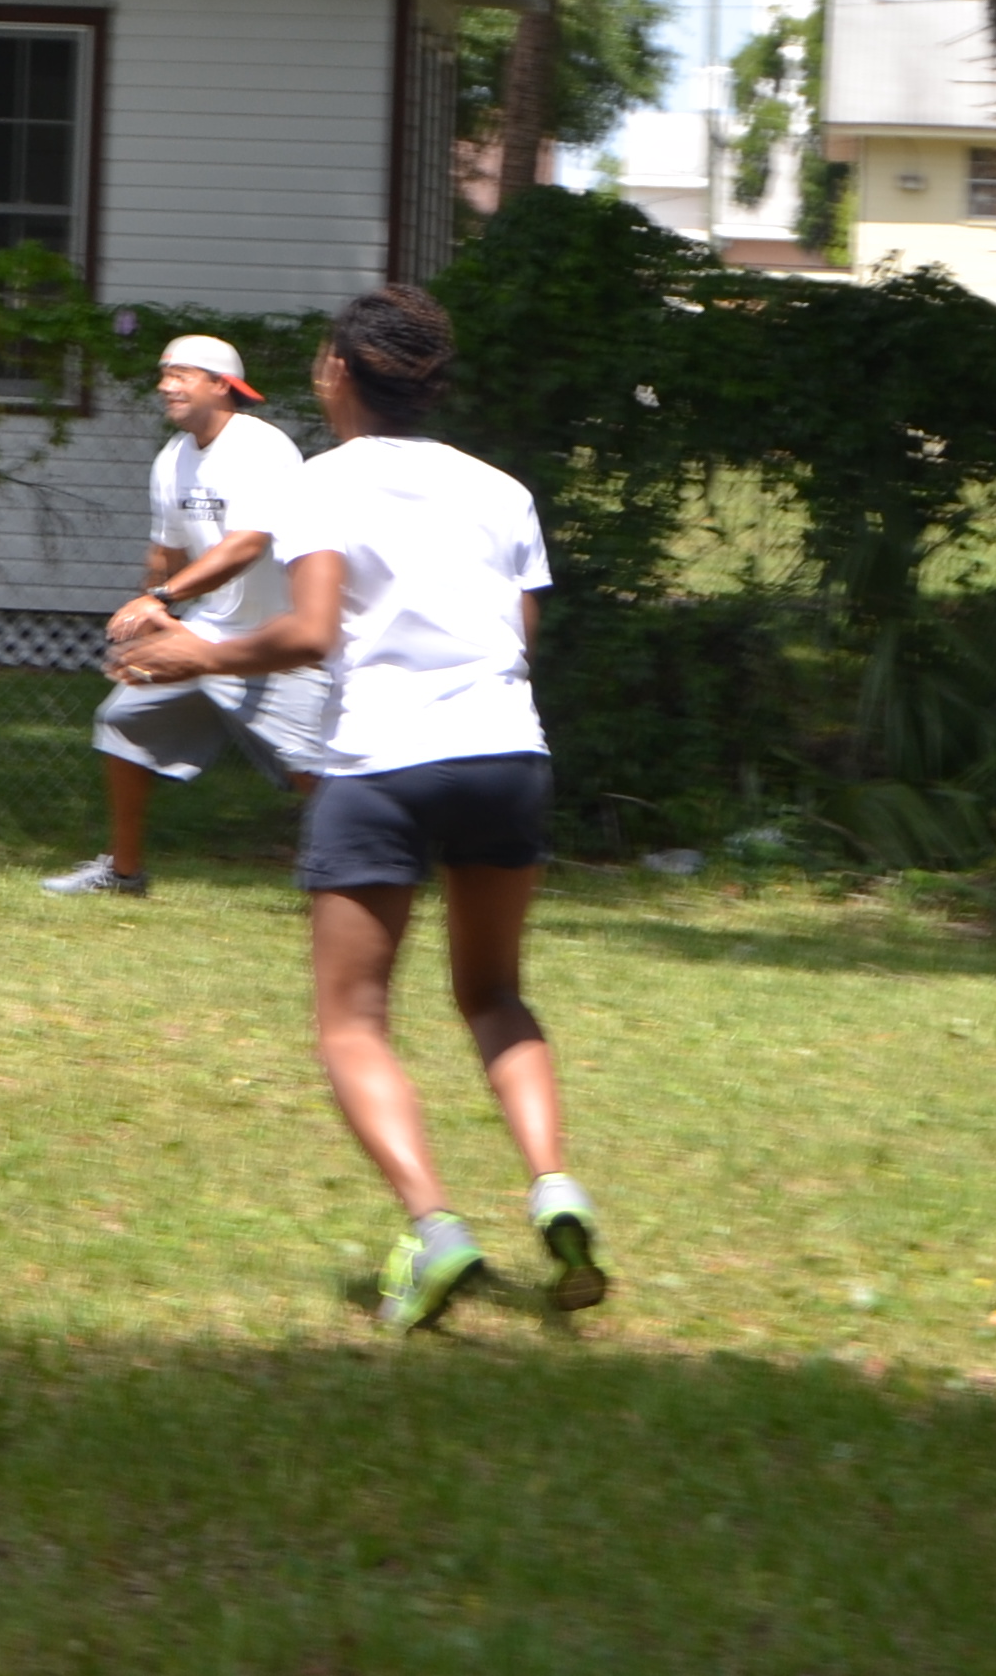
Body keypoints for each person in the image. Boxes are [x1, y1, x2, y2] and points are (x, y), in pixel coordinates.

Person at [111, 282, 608, 1330]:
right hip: (506, 753)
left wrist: (198, 652)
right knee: (495, 996)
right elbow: (519, 641)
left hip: (383, 760)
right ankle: (555, 1185)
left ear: (339, 372)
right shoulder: (501, 489)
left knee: (353, 1021)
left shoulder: (322, 482)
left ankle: (436, 1228)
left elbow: (310, 633)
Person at [46, 333, 322, 896]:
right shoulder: (173, 457)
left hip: (280, 637)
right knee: (123, 720)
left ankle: (349, 876)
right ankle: (124, 874)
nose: (165, 386)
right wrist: (147, 611)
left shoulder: (260, 447)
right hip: (208, 631)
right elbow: (166, 552)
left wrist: (163, 598)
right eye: (164, 374)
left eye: (181, 375)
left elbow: (247, 545)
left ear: (221, 385)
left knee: (314, 767)